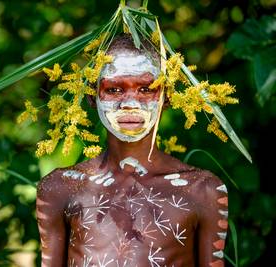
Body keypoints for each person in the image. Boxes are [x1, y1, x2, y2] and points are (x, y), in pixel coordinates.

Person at [36, 35, 228, 267]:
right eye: (114, 89)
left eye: (146, 89)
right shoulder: (59, 188)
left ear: (166, 96)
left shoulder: (201, 190)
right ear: (91, 95)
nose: (129, 103)